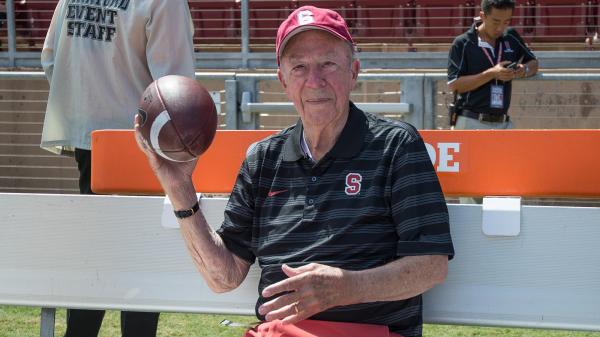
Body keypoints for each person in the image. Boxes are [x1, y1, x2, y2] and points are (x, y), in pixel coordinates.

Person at [135, 6, 454, 337]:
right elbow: (224, 277)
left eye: (328, 64)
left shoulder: (395, 145)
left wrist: (346, 287)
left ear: (354, 71)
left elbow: (430, 266)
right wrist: (178, 187)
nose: (314, 81)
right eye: (299, 67)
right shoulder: (263, 159)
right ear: (283, 81)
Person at [40, 0, 195, 336]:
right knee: (140, 260)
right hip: (142, 144)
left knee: (93, 252)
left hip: (91, 142)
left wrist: (87, 114)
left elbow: (50, 58)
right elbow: (175, 87)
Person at [447, 0, 538, 130]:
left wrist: (524, 69)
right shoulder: (462, 43)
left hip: (504, 123)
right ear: (483, 16)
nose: (500, 28)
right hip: (470, 122)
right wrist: (492, 73)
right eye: (496, 22)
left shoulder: (511, 36)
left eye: (506, 22)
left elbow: (533, 62)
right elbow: (454, 84)